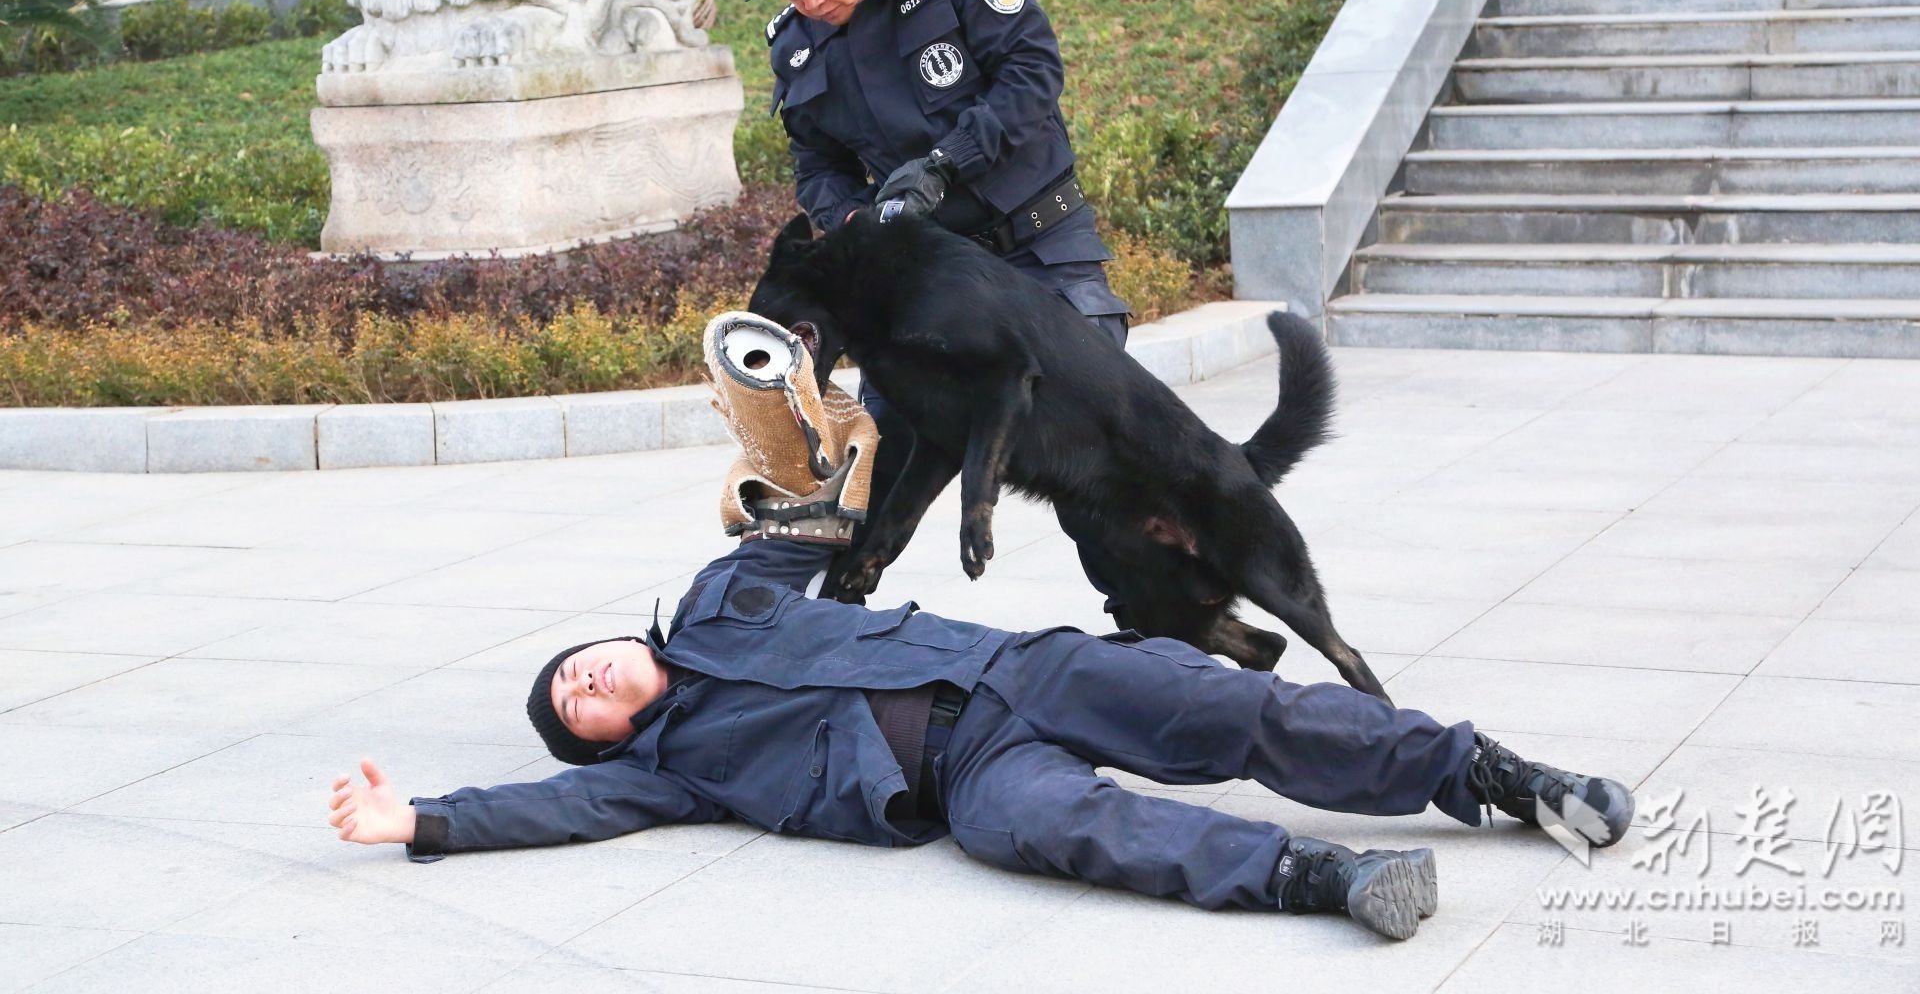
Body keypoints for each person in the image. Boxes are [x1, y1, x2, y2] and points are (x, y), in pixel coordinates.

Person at [327, 535, 1637, 941]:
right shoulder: (675, 771)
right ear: (608, 739)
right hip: (968, 774)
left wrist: (823, 450)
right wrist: (421, 822)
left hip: (1017, 671)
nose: (593, 677)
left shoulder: (724, 603)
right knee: (1053, 831)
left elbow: (818, 510)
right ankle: (1329, 879)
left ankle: (1501, 778)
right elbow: (547, 808)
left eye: (582, 662)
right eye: (581, 704)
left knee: (1238, 710)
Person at [737, 0, 1131, 609]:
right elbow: (815, 163)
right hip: (925, 288)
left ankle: (1164, 650)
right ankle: (805, 640)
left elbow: (1032, 73)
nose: (807, 0)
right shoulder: (796, 45)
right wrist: (853, 221)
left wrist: (945, 166)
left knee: (1092, 469)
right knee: (866, 479)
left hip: (1038, 257)